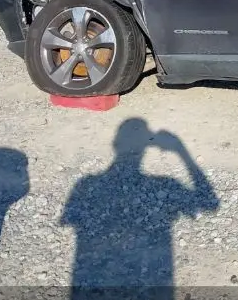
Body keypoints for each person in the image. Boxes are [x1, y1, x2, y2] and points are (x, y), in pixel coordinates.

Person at [62, 118, 218, 297]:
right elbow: (210, 204)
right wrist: (181, 152)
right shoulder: (164, 184)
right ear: (147, 148)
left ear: (115, 144)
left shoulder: (85, 185)